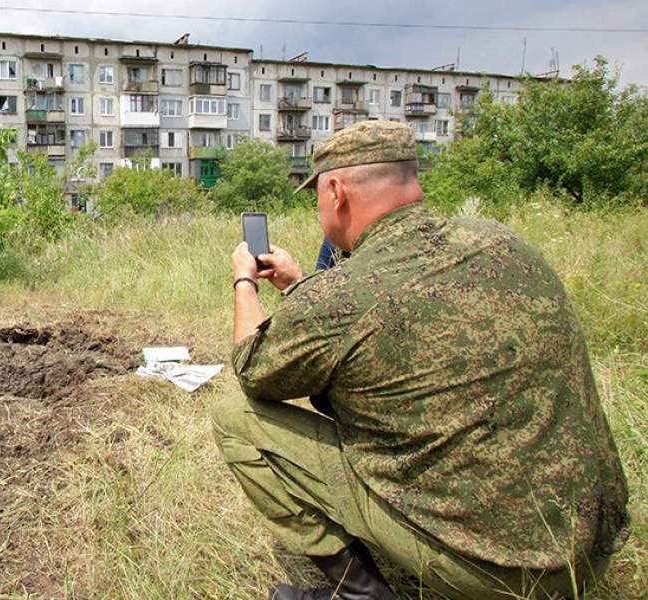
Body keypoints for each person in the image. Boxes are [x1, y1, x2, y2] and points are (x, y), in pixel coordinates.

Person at [217, 120, 628, 600]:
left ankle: (362, 594)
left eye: (317, 197)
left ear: (335, 191)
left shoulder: (345, 293)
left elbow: (253, 369)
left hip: (496, 575)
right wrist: (300, 285)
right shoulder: (506, 244)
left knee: (234, 419)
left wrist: (244, 280)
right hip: (588, 552)